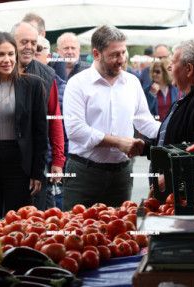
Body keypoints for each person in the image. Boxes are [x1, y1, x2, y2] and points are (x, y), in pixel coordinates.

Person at [63, 25, 160, 211]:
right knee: (77, 232)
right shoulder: (77, 84)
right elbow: (75, 130)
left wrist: (173, 128)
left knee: (118, 234)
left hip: (121, 175)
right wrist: (118, 143)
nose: (122, 60)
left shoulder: (132, 82)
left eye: (124, 53)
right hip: (84, 174)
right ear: (96, 54)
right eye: (115, 54)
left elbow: (144, 121)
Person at [0, 32, 48, 219]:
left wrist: (38, 173)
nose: (7, 60)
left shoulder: (33, 85)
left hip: (18, 162)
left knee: (18, 220)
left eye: (11, 54)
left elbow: (40, 132)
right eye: (0, 54)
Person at [11, 22, 65, 210]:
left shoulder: (46, 75)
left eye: (33, 43)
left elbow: (54, 120)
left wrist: (58, 160)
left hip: (35, 163)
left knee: (34, 219)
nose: (29, 47)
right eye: (24, 42)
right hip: (0, 161)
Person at [34, 35, 68, 209]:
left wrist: (58, 159)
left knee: (47, 213)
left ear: (49, 57)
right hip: (20, 161)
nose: (33, 52)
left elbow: (56, 124)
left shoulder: (55, 83)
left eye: (38, 49)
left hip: (46, 161)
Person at [22, 13, 67, 82]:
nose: (28, 36)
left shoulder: (57, 60)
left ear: (42, 34)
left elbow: (60, 88)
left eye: (32, 32)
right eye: (25, 32)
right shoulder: (19, 56)